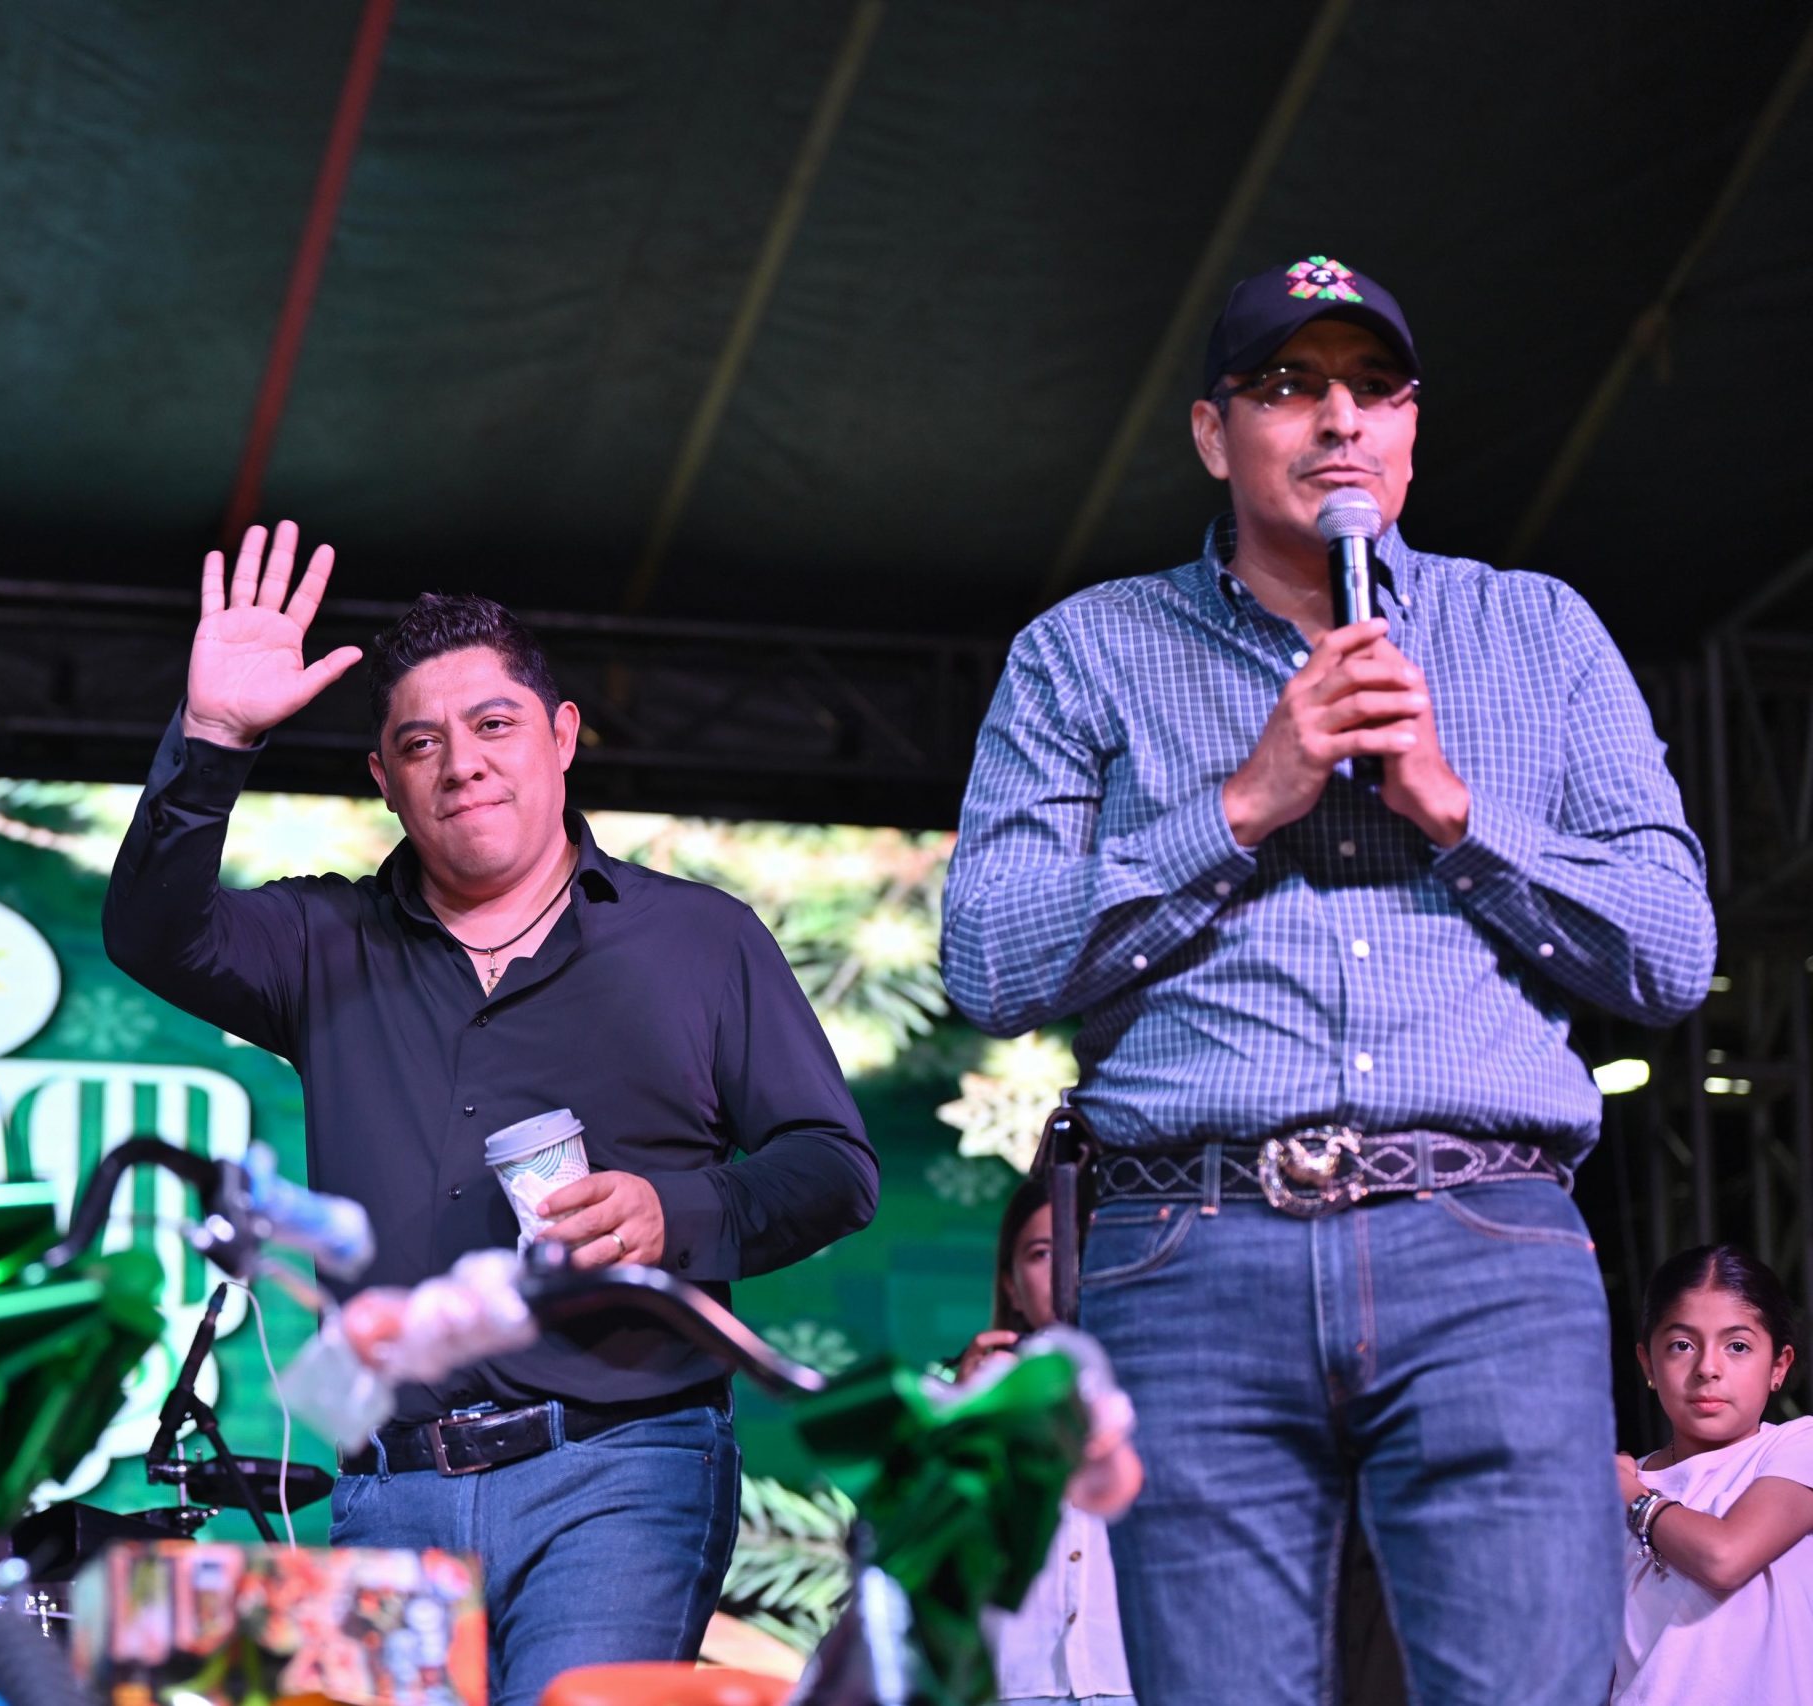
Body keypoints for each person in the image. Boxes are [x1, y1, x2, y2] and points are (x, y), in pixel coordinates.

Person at [940, 253, 1715, 1705]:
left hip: (1486, 1236)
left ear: (1411, 428)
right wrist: (1243, 801)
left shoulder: (1535, 631)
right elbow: (989, 960)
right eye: (1288, 385)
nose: (1338, 419)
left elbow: (1672, 952)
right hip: (1189, 1245)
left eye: (1373, 387)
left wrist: (1453, 808)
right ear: (1211, 431)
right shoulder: (1087, 651)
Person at [102, 523, 879, 1706]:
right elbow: (153, 933)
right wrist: (213, 736)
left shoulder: (698, 938)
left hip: (622, 1464)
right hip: (388, 1484)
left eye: (494, 724)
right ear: (384, 778)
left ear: (562, 736)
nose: (459, 762)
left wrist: (674, 1210)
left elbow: (832, 1167)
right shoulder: (325, 940)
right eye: (420, 742)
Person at [949, 1179, 1135, 1706]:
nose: (1067, 1271)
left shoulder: (1171, 1393)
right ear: (1010, 1285)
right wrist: (965, 1420)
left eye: (1086, 1246)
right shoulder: (964, 1393)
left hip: (1132, 1677)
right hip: (1011, 1679)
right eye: (1043, 1252)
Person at [1614, 1244, 1813, 1702]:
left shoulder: (1796, 1447)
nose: (1707, 1368)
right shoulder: (1613, 1486)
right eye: (1682, 1345)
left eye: (1737, 1346)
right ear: (1648, 1363)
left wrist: (1628, 1495)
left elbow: (1725, 1557)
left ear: (1778, 1366)